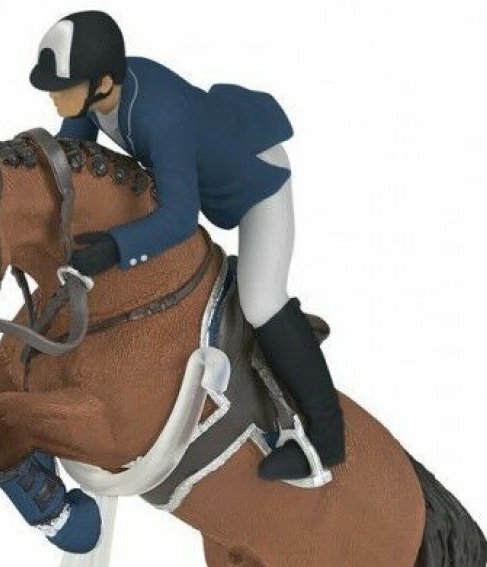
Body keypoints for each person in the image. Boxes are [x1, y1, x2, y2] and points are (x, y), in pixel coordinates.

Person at [30, 10, 345, 483]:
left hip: (255, 180)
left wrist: (115, 247)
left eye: (62, 87)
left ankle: (327, 440)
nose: (53, 97)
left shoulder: (160, 113)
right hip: (210, 174)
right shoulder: (93, 98)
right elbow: (73, 162)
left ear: (103, 83)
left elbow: (179, 219)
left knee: (261, 300)